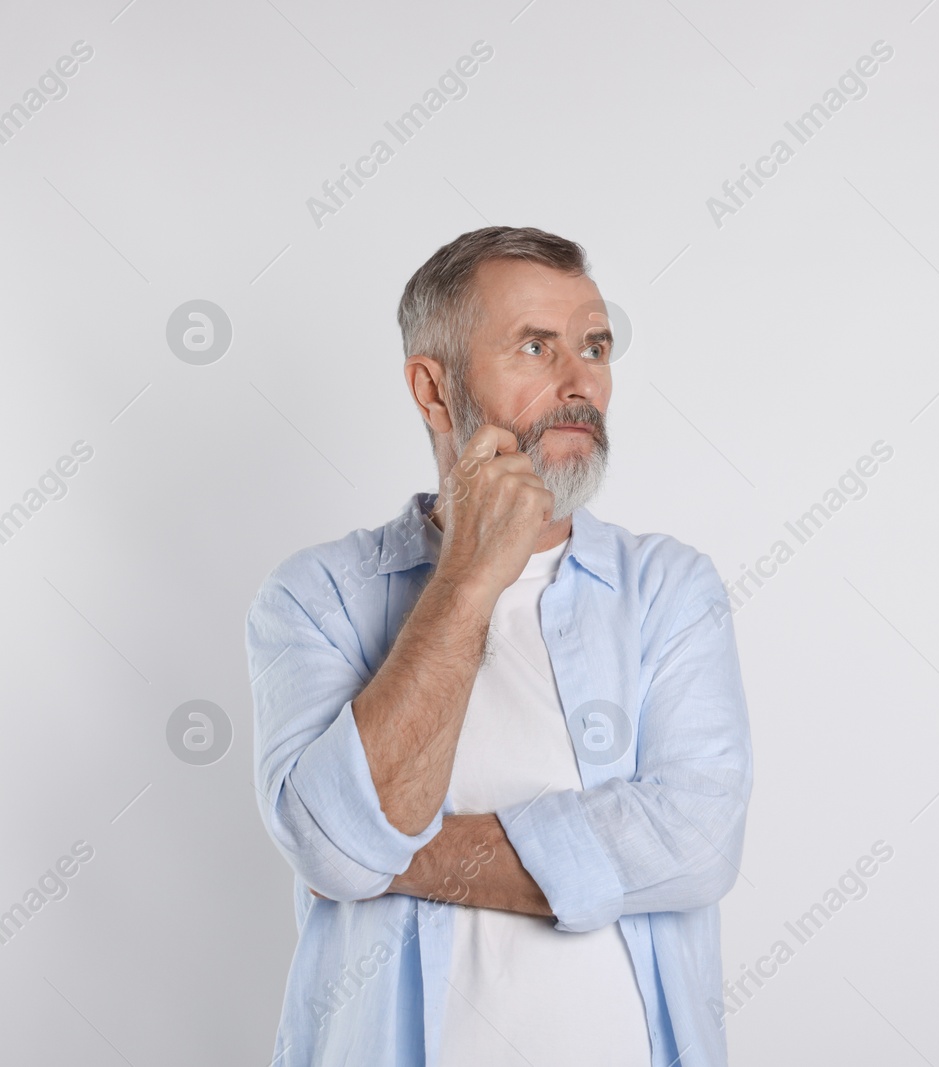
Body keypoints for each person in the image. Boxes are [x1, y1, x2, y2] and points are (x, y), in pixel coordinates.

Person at [245, 225, 753, 1066]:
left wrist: (385, 856)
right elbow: (328, 843)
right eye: (534, 346)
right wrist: (470, 578)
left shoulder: (667, 588)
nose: (581, 379)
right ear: (435, 391)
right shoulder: (318, 596)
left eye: (595, 344)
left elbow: (697, 841)